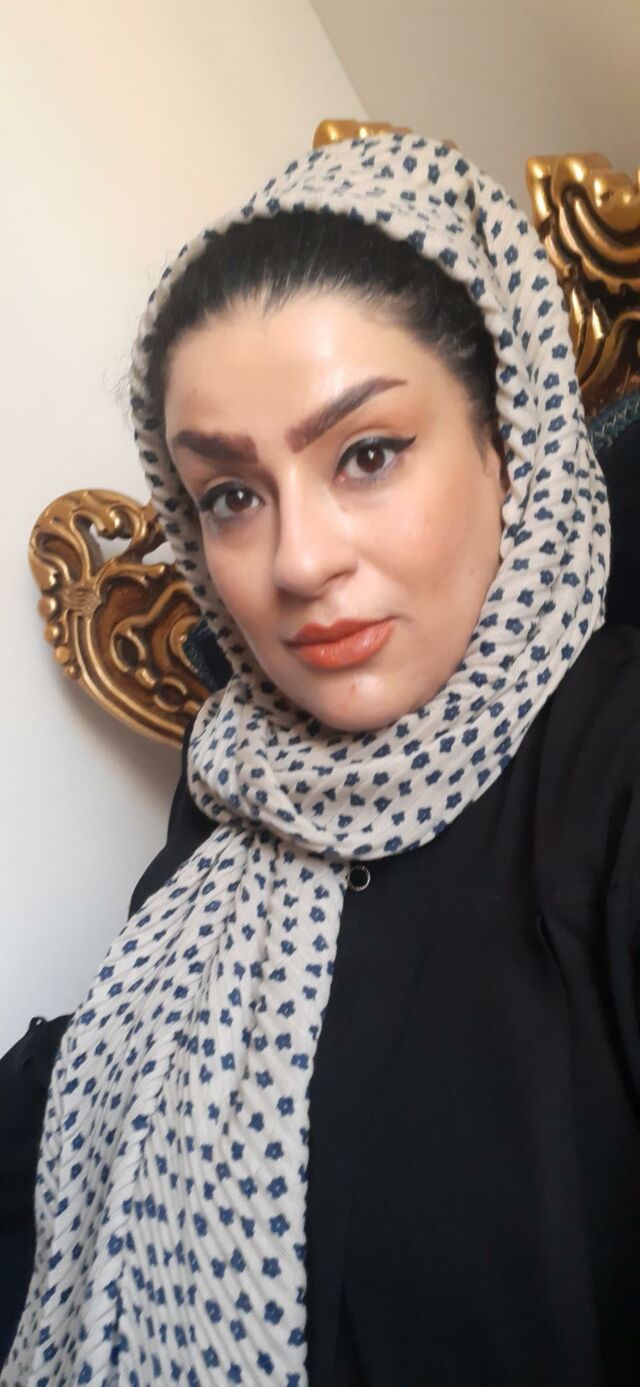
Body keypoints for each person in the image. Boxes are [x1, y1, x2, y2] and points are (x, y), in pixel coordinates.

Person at [2, 131, 639, 1386]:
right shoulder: (235, 773)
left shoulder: (610, 777)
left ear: (505, 445)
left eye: (367, 453)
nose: (297, 563)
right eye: (231, 496)